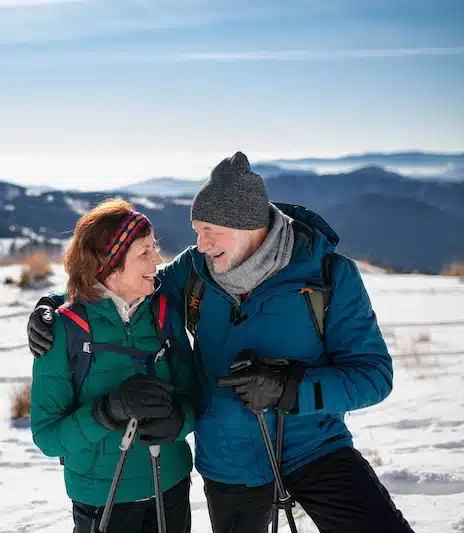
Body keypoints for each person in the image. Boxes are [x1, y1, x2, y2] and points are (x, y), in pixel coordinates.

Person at [28, 152, 415, 533]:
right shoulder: (194, 271)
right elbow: (121, 287)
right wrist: (54, 305)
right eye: (197, 230)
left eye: (209, 231)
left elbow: (374, 376)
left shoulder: (327, 275)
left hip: (315, 447)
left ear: (247, 226)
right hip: (229, 462)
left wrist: (291, 388)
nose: (200, 244)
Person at [29, 199, 197, 533]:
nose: (157, 260)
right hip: (101, 500)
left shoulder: (163, 313)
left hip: (171, 488)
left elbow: (195, 394)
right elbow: (47, 435)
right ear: (109, 265)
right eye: (144, 252)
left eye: (155, 248)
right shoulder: (64, 330)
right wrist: (107, 412)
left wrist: (180, 421)